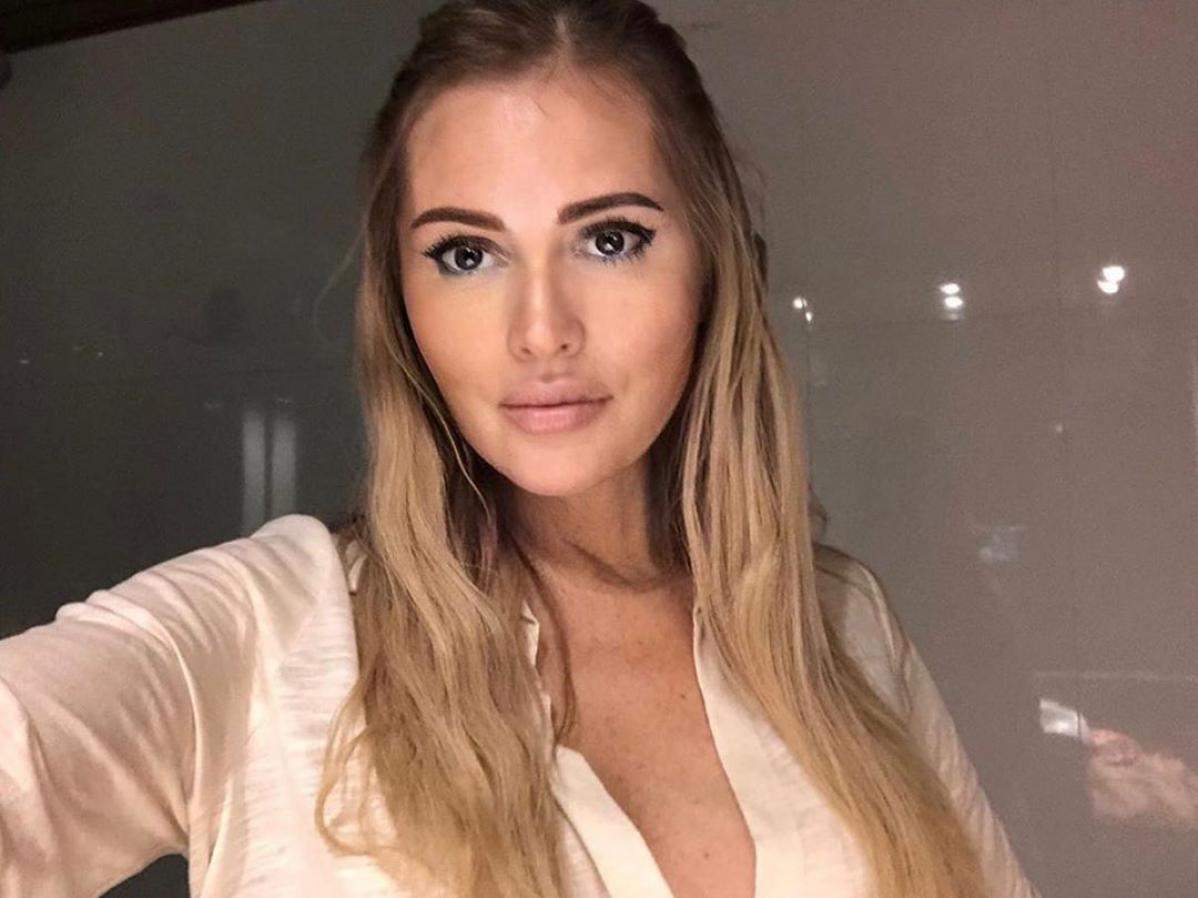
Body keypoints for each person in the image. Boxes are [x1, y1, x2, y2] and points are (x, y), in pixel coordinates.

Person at [0, 2, 1043, 897]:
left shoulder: (843, 627)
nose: (540, 331)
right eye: (467, 254)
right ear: (402, 305)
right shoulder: (261, 636)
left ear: (716, 270)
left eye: (610, 238)